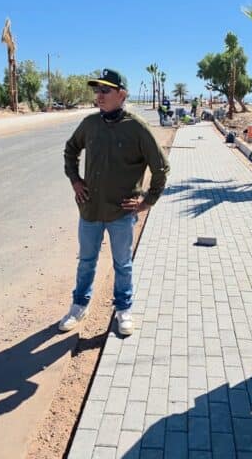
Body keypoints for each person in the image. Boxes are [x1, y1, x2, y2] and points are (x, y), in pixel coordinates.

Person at [60, 69, 169, 336]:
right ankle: (79, 305)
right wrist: (75, 180)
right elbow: (71, 149)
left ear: (122, 94)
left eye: (105, 91)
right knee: (86, 261)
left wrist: (147, 201)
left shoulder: (137, 127)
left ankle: (123, 310)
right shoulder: (90, 124)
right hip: (90, 210)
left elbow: (161, 167)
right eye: (97, 91)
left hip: (121, 212)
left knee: (123, 264)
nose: (99, 96)